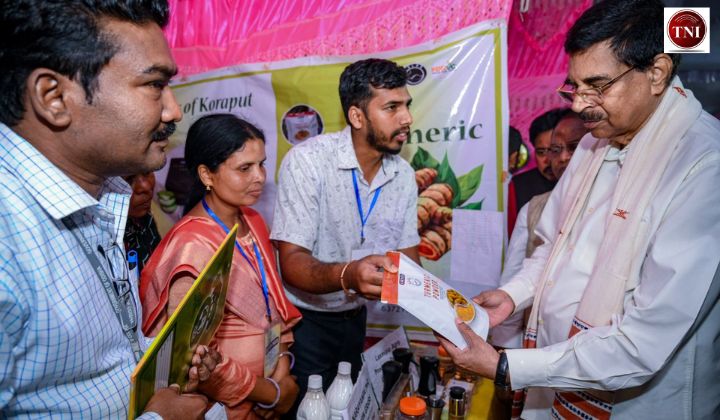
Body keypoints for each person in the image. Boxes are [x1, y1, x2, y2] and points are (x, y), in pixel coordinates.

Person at [438, 0, 720, 418]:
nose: (578, 104)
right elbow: (553, 248)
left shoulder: (704, 165)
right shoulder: (593, 142)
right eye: (575, 86)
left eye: (597, 86)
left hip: (637, 402)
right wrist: (513, 296)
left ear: (657, 73)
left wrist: (506, 367)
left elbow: (644, 342)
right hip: (558, 374)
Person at [0, 1, 220, 418]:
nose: (173, 111)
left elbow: (99, 364)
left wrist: (167, 370)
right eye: (154, 85)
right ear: (54, 97)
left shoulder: (102, 195)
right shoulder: (8, 238)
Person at [271, 58, 421, 415]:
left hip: (355, 320)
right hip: (305, 325)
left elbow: (409, 260)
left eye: (407, 105)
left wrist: (449, 313)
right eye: (392, 108)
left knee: (349, 410)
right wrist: (349, 274)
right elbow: (292, 264)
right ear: (356, 116)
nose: (407, 118)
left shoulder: (402, 175)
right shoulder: (308, 162)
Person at [141, 114, 302, 419]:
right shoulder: (192, 246)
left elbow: (273, 307)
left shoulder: (252, 221)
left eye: (261, 164)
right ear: (207, 175)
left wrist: (280, 374)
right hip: (224, 407)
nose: (260, 177)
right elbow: (192, 361)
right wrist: (271, 394)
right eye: (245, 168)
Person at [491, 110, 586, 349]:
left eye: (574, 147)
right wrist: (505, 352)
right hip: (541, 344)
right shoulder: (534, 208)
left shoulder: (619, 204)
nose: (563, 157)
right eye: (554, 150)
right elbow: (516, 274)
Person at [510, 108, 567, 217]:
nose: (548, 160)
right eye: (541, 152)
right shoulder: (517, 188)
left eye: (555, 150)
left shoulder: (588, 182)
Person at [124, 172, 162, 275]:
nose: (146, 186)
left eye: (146, 172)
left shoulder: (144, 216)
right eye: (129, 179)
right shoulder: (111, 243)